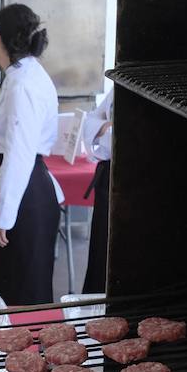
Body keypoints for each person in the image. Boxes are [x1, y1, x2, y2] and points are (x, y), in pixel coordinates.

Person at [0, 3, 61, 306]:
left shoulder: (22, 83)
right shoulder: (24, 73)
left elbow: (18, 155)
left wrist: (2, 216)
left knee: (23, 288)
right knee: (24, 281)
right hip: (28, 185)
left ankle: (32, 352)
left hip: (25, 190)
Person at [80, 88, 114, 293]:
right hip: (107, 173)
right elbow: (91, 121)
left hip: (130, 177)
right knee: (101, 249)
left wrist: (104, 129)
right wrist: (105, 127)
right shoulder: (118, 86)